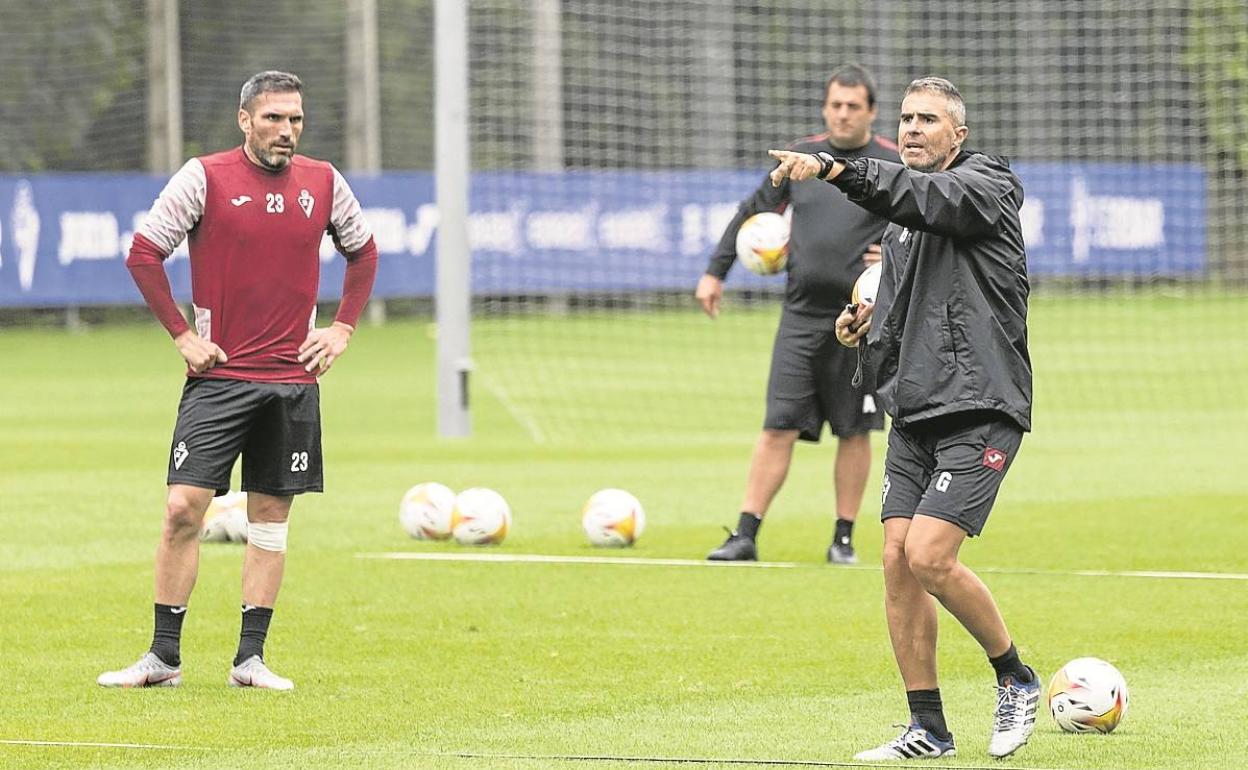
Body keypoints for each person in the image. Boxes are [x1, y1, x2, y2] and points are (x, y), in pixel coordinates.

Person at [768, 76, 1039, 760]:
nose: (913, 128)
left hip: (980, 404)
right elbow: (906, 307)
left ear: (959, 135)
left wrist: (835, 167)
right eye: (907, 118)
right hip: (916, 411)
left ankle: (1016, 676)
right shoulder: (903, 228)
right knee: (894, 561)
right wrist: (865, 325)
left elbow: (923, 198)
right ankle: (930, 728)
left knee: (928, 555)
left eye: (927, 119)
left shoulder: (986, 186)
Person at [98, 71, 378, 690]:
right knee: (181, 509)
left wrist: (342, 330)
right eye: (274, 118)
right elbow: (145, 251)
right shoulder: (205, 176)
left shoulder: (325, 182)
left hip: (293, 381)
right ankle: (163, 658)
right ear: (245, 120)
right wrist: (181, 334)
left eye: (296, 119)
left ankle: (250, 660)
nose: (287, 131)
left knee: (270, 520)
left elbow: (364, 252)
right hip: (220, 378)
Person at [697, 64, 898, 564]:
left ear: (871, 112)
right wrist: (715, 272)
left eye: (854, 106)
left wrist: (894, 253)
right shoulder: (801, 159)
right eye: (836, 104)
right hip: (802, 317)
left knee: (854, 432)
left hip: (863, 319)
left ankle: (843, 540)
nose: (843, 113)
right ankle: (745, 534)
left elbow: (921, 219)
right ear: (825, 108)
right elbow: (752, 211)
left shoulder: (894, 163)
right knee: (777, 424)